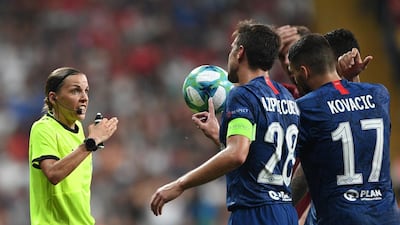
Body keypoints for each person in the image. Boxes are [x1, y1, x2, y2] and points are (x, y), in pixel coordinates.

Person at [150, 20, 300, 225]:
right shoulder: (286, 96)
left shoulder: (243, 94)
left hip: (254, 212)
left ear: (240, 52)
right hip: (286, 212)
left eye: (231, 49)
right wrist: (219, 135)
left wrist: (180, 184)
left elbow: (237, 155)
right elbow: (256, 156)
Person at [288, 33, 400, 225]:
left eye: (293, 72)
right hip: (387, 217)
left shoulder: (305, 109)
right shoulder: (379, 94)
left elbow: (297, 173)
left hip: (341, 218)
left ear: (304, 72)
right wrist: (350, 79)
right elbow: (353, 117)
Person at [29, 67, 119, 225]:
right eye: (75, 91)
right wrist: (90, 143)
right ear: (53, 98)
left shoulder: (78, 131)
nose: (84, 97)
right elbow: (53, 174)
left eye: (86, 91)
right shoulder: (43, 128)